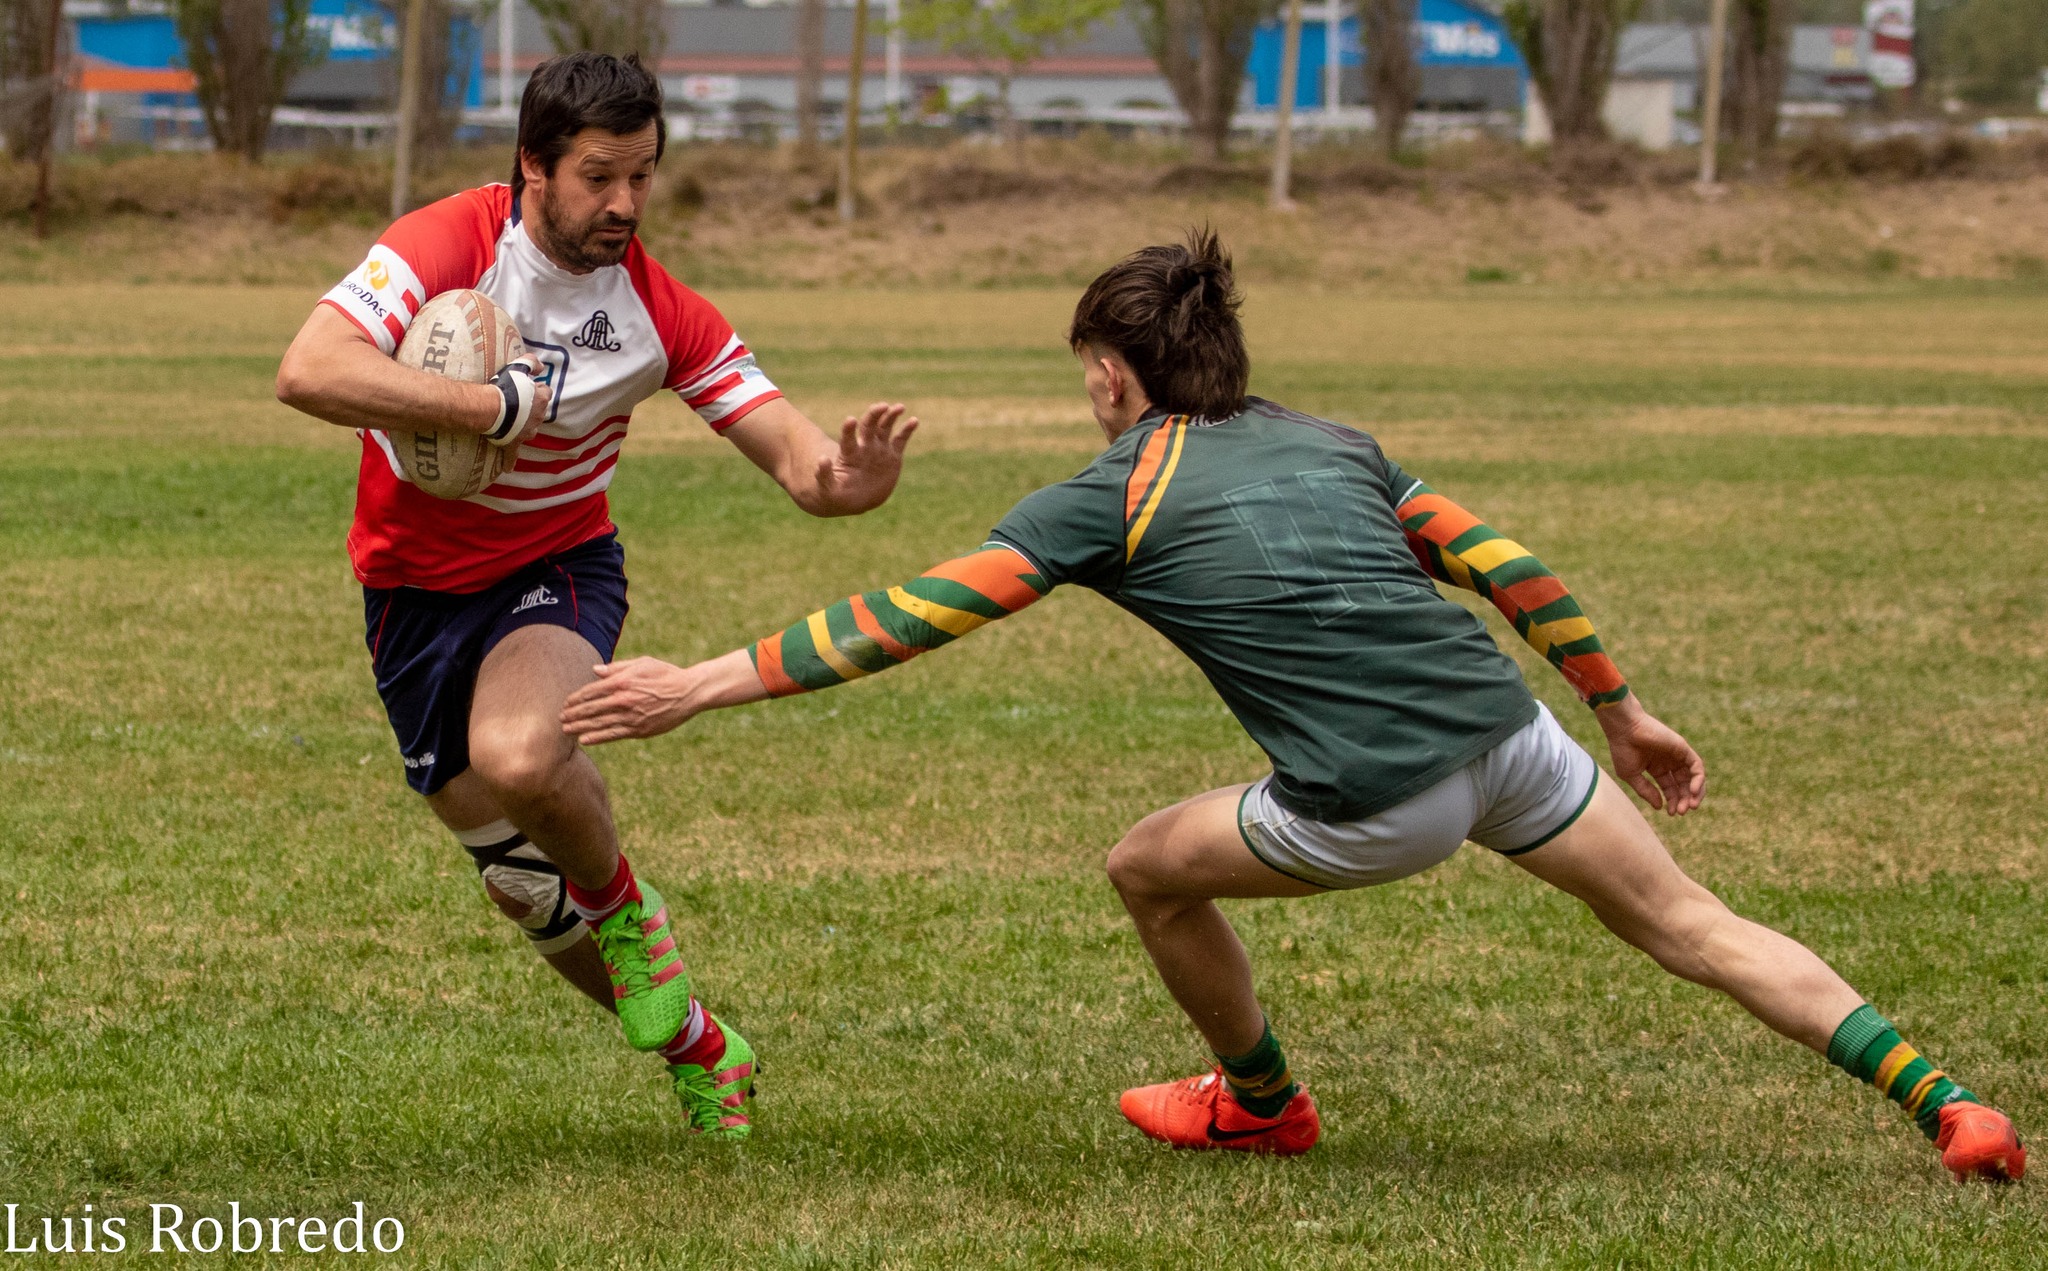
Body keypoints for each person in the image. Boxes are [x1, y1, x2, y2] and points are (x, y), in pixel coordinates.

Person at [557, 231, 2024, 1181]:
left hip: (1376, 800)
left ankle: (1259, 1096)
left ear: (1112, 375)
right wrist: (1620, 709)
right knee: (1694, 925)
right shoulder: (1337, 444)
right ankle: (1948, 1100)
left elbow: (912, 613)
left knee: (1144, 861)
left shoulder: (1109, 489)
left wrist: (702, 679)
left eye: (1089, 377)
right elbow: (1501, 560)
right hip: (1510, 736)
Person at [274, 52, 917, 1139]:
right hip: (411, 595)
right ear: (533, 165)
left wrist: (846, 482)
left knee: (523, 754)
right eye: (599, 176)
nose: (624, 203)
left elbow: (800, 459)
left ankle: (627, 911)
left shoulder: (659, 313)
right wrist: (484, 403)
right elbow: (308, 370)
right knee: (525, 889)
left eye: (644, 176)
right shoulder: (444, 245)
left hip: (554, 570)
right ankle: (698, 1046)